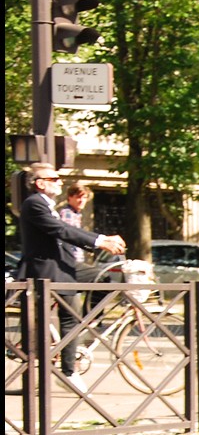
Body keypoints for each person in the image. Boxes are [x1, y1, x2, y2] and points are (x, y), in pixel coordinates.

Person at [15, 163, 126, 393]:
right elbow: (60, 230)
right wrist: (100, 240)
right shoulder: (34, 204)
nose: (60, 181)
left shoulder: (48, 204)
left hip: (65, 265)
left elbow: (65, 232)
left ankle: (88, 324)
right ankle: (68, 371)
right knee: (68, 319)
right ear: (40, 183)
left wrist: (101, 240)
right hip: (48, 270)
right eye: (54, 178)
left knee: (106, 277)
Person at [58, 182, 93, 264]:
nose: (82, 201)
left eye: (84, 197)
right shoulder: (67, 213)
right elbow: (69, 236)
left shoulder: (76, 214)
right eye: (78, 197)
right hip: (70, 260)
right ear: (70, 197)